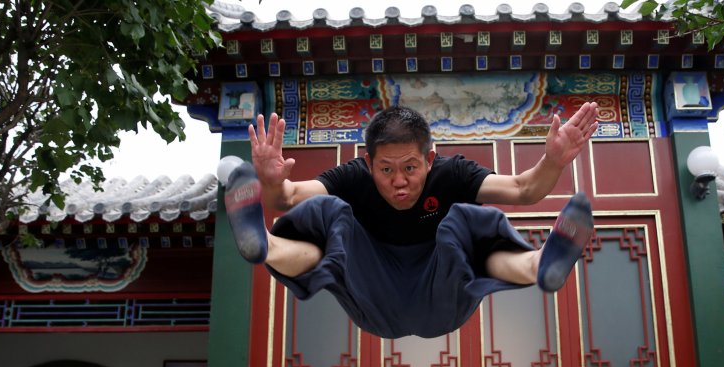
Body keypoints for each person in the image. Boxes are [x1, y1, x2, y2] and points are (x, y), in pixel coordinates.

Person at [220, 103, 598, 339]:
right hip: (376, 295)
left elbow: (524, 188)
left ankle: (541, 263)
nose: (399, 181)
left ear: (430, 160)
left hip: (441, 290)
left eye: (411, 167)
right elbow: (286, 198)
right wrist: (271, 181)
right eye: (385, 169)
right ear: (368, 163)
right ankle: (263, 245)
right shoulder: (354, 177)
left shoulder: (453, 174)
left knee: (464, 224)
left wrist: (554, 160)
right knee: (333, 217)